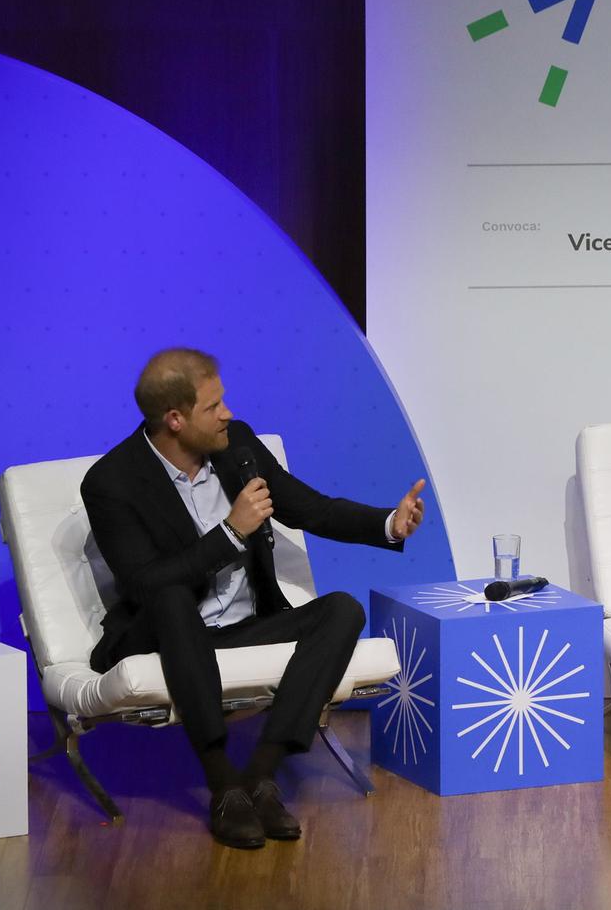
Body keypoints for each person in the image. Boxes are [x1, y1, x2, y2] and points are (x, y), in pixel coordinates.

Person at [81, 347, 427, 847]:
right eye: (213, 407)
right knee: (172, 599)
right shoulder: (112, 482)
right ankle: (223, 785)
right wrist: (229, 533)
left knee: (341, 611)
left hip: (243, 628)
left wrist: (388, 524)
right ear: (175, 419)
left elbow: (310, 508)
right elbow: (144, 584)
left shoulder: (236, 447)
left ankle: (262, 777)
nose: (229, 414)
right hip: (169, 634)